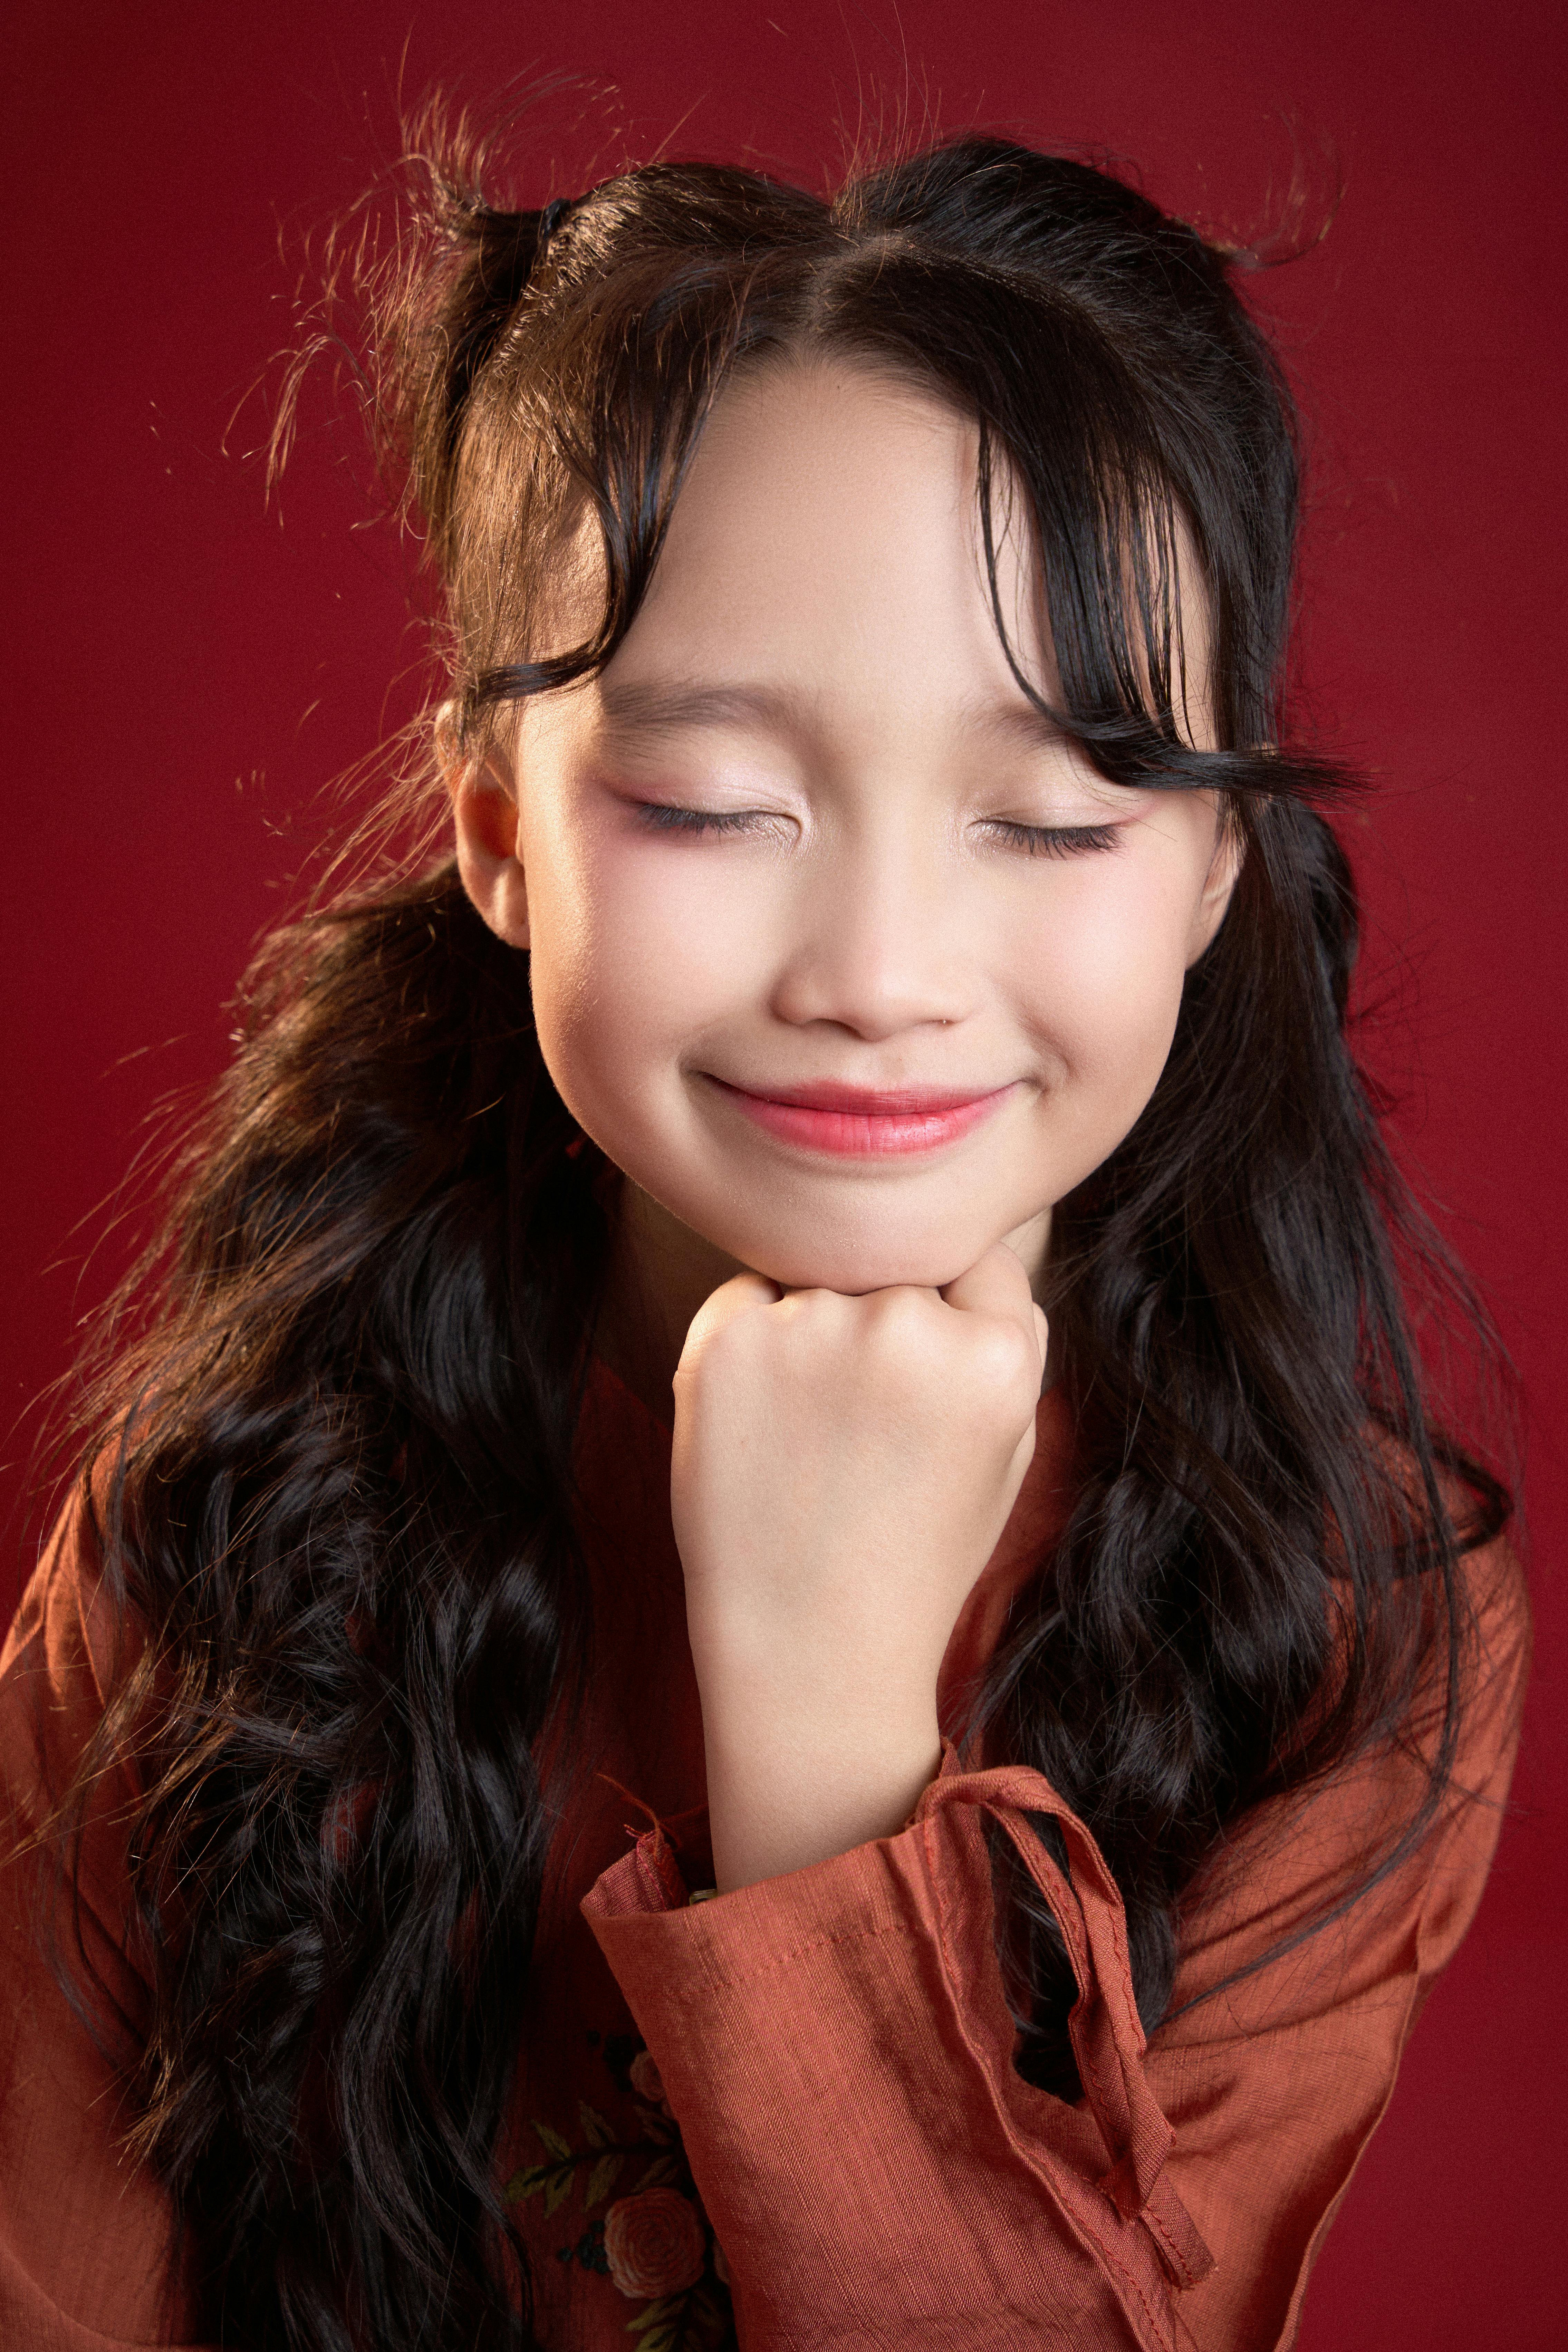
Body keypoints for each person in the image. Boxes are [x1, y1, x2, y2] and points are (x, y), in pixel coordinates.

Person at [0, 124, 1529, 2352]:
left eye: (1052, 813)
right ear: (498, 830)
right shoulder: (219, 1533)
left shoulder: (1347, 1623)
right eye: (716, 801)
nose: (881, 967)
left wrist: (825, 1756)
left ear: (1210, 877)